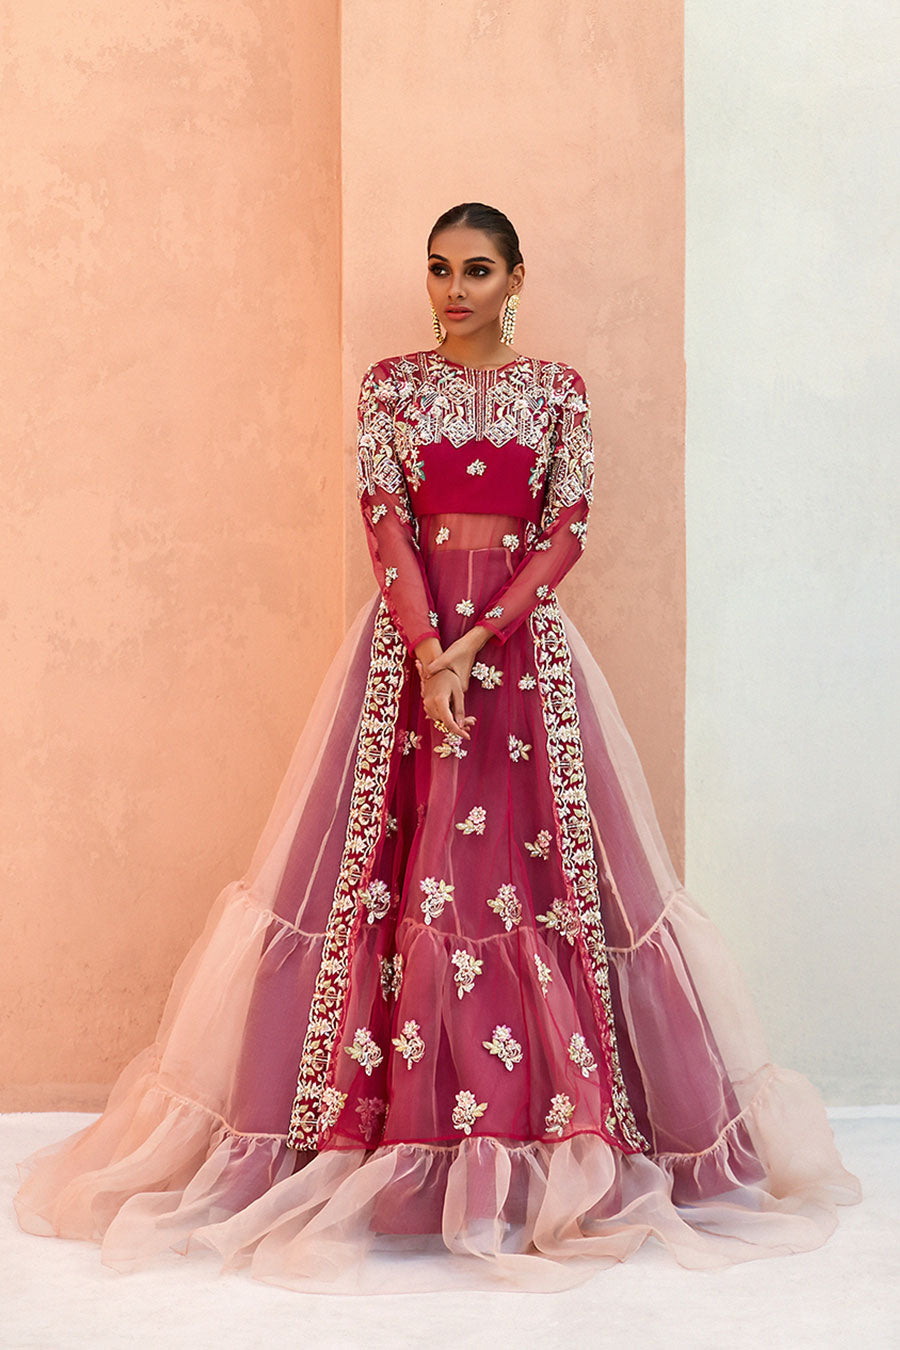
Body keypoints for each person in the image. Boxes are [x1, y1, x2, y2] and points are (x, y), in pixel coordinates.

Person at [13, 202, 861, 1295]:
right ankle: (394, 1138)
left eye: (475, 270)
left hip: (518, 658)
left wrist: (480, 640)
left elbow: (569, 528)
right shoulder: (390, 388)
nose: (452, 289)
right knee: (383, 876)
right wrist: (427, 651)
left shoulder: (557, 390)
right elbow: (386, 523)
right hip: (406, 663)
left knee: (531, 881)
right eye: (437, 270)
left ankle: (530, 1139)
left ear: (517, 278)